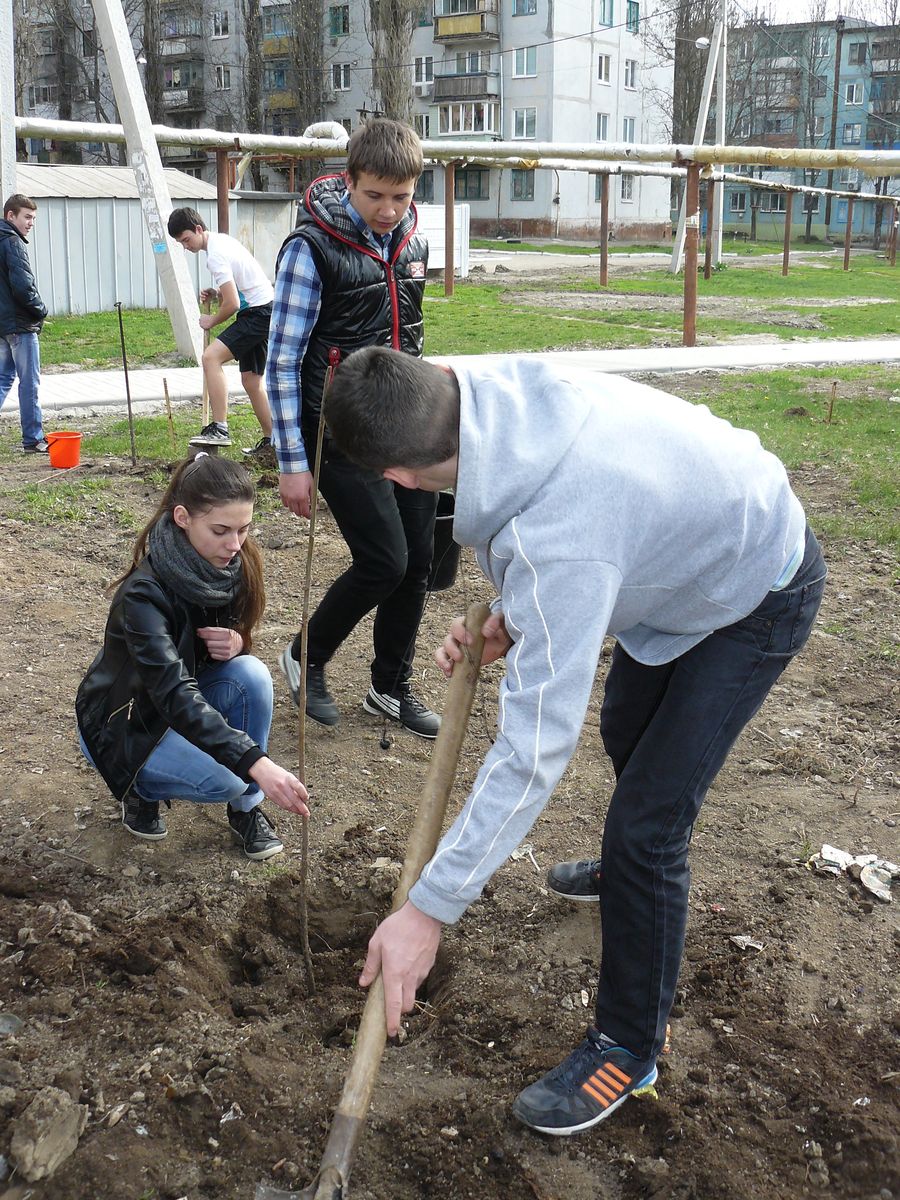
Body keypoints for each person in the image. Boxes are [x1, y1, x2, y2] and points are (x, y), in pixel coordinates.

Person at [324, 346, 827, 1135]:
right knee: (629, 730)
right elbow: (556, 545)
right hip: (677, 554)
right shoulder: (481, 390)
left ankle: (629, 1049)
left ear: (399, 479)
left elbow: (531, 753)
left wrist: (428, 909)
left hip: (755, 586)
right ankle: (632, 875)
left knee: (648, 827)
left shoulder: (563, 543)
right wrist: (518, 618)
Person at [266, 118, 440, 739]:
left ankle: (389, 686)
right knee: (384, 560)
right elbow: (282, 360)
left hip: (410, 428)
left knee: (418, 560)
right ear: (349, 181)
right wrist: (292, 459)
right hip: (340, 434)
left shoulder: (414, 240)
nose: (390, 210)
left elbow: (412, 339)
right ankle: (306, 655)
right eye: (375, 196)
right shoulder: (310, 249)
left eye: (403, 195)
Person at [76, 454, 309, 861]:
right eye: (221, 530)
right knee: (230, 779)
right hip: (127, 722)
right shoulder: (142, 596)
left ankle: (247, 812)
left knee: (250, 673)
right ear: (182, 517)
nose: (235, 544)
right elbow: (174, 693)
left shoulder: (231, 566)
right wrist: (255, 762)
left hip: (182, 705)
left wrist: (239, 642)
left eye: (244, 529)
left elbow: (224, 649)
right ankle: (138, 789)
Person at [167, 208, 275, 459]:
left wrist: (211, 321)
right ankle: (273, 442)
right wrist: (218, 293)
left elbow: (233, 303)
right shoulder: (222, 241)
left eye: (186, 240)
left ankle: (220, 428)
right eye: (180, 244)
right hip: (266, 308)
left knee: (210, 357)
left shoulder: (214, 255)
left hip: (257, 313)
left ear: (198, 229)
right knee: (250, 380)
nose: (186, 247)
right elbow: (237, 286)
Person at [0, 194, 49, 454]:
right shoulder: (12, 242)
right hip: (20, 324)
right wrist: (40, 310)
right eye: (27, 217)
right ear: (11, 216)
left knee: (3, 378)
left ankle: (33, 436)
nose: (31, 223)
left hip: (3, 325)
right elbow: (23, 285)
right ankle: (33, 438)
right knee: (29, 382)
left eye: (33, 218)